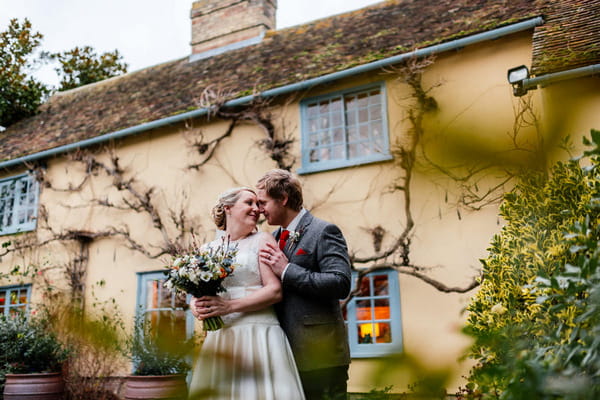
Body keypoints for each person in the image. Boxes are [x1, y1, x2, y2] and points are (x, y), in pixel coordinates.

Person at [188, 187, 305, 400]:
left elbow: (275, 291)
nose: (256, 209)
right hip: (221, 336)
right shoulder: (207, 249)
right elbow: (196, 292)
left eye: (258, 204)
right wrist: (196, 306)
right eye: (249, 203)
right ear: (228, 208)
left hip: (259, 333)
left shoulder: (263, 240)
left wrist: (229, 306)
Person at [256, 169, 352, 400]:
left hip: (320, 354)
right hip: (282, 353)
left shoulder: (323, 231)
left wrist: (287, 270)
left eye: (263, 202)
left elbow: (340, 283)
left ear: (283, 199)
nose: (259, 209)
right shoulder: (271, 238)